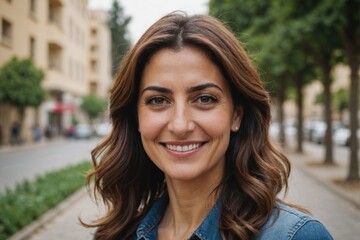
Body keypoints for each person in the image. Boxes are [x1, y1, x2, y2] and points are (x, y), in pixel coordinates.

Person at [84, 12, 333, 240]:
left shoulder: (295, 236)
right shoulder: (114, 235)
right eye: (158, 100)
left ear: (236, 116)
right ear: (135, 117)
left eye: (205, 99)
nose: (180, 125)